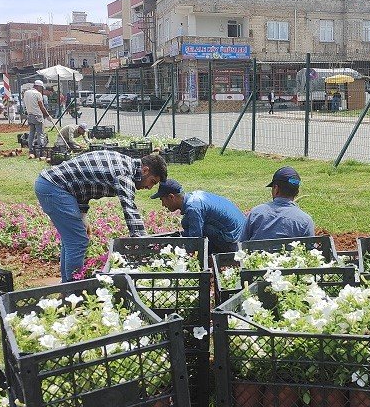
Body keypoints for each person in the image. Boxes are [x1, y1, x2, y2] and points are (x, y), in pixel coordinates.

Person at [35, 150, 167, 281]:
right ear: (145, 170)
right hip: (54, 187)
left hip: (51, 184)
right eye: (152, 181)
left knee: (71, 240)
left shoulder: (125, 163)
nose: (149, 187)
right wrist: (144, 244)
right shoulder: (124, 173)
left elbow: (83, 184)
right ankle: (72, 291)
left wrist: (82, 216)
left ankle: (66, 287)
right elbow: (130, 209)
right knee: (77, 241)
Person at [152, 179, 245, 254]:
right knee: (186, 223)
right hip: (238, 231)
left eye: (162, 200)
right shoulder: (194, 196)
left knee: (196, 233)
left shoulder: (193, 208)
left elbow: (195, 240)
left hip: (235, 240)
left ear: (171, 197)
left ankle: (213, 256)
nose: (163, 205)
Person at [241, 166, 315, 242]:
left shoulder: (255, 213)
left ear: (276, 189)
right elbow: (309, 251)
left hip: (256, 254)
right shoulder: (305, 221)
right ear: (297, 192)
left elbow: (241, 245)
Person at [23, 80, 51, 159]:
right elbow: (42, 107)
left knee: (31, 133)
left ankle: (31, 149)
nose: (41, 90)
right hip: (38, 116)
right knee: (40, 134)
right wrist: (47, 115)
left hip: (30, 115)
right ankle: (40, 150)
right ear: (38, 86)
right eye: (41, 88)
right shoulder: (37, 94)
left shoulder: (26, 92)